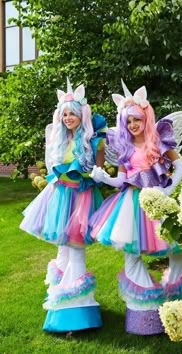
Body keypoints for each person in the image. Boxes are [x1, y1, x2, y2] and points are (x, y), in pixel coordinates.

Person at [89, 82, 182, 335]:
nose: (132, 125)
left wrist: (168, 190)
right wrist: (104, 178)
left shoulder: (160, 142)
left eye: (136, 119)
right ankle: (144, 310)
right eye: (128, 122)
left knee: (176, 248)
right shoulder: (125, 150)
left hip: (158, 201)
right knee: (132, 251)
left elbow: (179, 167)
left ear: (146, 117)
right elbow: (121, 179)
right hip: (130, 205)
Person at [20, 79, 107, 332]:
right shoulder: (57, 138)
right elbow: (51, 168)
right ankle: (59, 299)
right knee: (63, 251)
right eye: (65, 114)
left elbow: (98, 170)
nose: (68, 118)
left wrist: (94, 173)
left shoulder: (93, 139)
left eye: (73, 114)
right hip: (59, 198)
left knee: (76, 250)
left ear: (81, 115)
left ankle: (75, 313)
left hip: (82, 198)